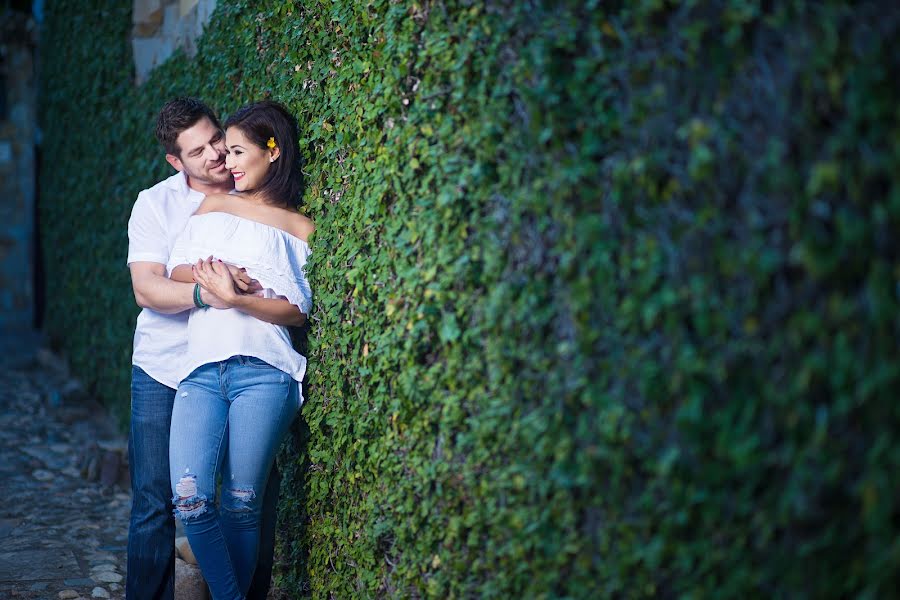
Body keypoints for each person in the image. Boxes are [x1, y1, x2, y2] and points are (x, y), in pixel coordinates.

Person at [126, 97, 282, 600]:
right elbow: (148, 288)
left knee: (249, 499)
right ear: (176, 162)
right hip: (164, 367)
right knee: (155, 502)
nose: (215, 155)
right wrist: (208, 292)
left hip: (238, 362)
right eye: (197, 152)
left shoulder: (255, 187)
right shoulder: (156, 204)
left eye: (216, 139)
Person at [165, 100, 313, 599]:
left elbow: (296, 310)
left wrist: (238, 299)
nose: (226, 163)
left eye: (235, 151)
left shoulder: (299, 227)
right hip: (201, 370)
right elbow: (179, 269)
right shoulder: (213, 207)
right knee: (190, 502)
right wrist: (219, 277)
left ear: (272, 151)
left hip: (265, 372)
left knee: (243, 505)